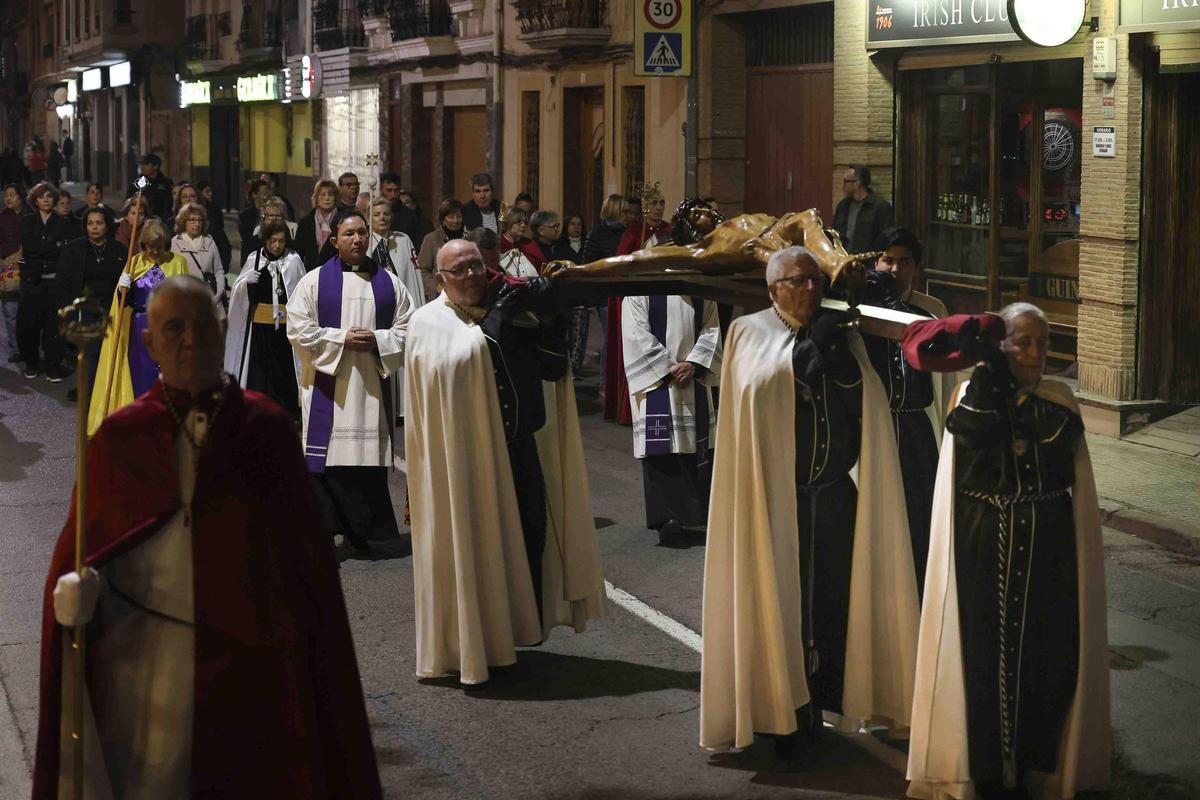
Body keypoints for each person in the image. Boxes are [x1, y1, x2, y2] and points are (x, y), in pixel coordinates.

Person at [35, 275, 382, 798]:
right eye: (174, 328)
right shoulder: (121, 437)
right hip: (150, 669)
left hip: (254, 665)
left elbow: (305, 566)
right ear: (149, 343)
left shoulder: (264, 430)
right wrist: (77, 590)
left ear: (224, 331)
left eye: (202, 326)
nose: (191, 340)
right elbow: (86, 548)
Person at [700, 246, 919, 758]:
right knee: (784, 608)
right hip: (776, 501)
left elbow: (861, 394)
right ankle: (787, 720)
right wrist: (802, 355)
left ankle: (823, 705)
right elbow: (759, 389)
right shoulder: (749, 331)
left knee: (832, 607)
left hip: (834, 497)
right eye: (799, 281)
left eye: (816, 281)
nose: (811, 290)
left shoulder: (839, 330)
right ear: (774, 287)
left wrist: (833, 349)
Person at [904, 305, 1111, 800]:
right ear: (1000, 344)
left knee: (1048, 657)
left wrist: (1014, 397)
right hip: (981, 543)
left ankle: (1038, 767)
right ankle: (988, 771)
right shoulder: (973, 394)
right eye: (1023, 341)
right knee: (979, 658)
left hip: (1050, 547)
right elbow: (970, 435)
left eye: (1043, 342)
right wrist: (989, 384)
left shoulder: (1060, 400)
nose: (1036, 353)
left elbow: (1061, 449)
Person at [406, 236, 581, 685]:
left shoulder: (509, 313)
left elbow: (552, 368)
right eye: (459, 271)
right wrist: (501, 314)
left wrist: (553, 322)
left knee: (525, 541)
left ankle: (516, 634)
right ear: (440, 278)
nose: (470, 277)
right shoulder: (428, 322)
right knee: (473, 546)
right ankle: (473, 643)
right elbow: (465, 357)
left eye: (476, 268)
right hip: (463, 460)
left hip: (516, 447)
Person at [286, 209, 414, 551]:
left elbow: (408, 329)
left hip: (371, 388)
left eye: (362, 233)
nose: (357, 239)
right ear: (334, 241)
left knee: (366, 460)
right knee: (327, 460)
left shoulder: (389, 283)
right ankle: (326, 530)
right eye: (348, 234)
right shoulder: (313, 282)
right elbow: (297, 330)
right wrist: (342, 339)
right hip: (331, 388)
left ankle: (367, 534)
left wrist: (377, 340)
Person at [857, 227, 950, 599]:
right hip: (874, 426)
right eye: (888, 260)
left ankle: (919, 594)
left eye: (905, 262)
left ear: (917, 267)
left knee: (920, 513)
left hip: (916, 426)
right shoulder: (860, 308)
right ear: (875, 262)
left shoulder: (932, 311)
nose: (895, 269)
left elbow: (944, 382)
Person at [621, 288, 721, 546]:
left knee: (693, 447)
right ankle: (666, 520)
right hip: (658, 385)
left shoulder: (698, 287)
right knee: (660, 449)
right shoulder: (640, 288)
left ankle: (691, 516)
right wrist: (668, 369)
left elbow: (712, 327)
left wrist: (695, 365)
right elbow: (636, 334)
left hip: (692, 380)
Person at [88, 219, 193, 433]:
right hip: (141, 329)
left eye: (160, 246)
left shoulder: (178, 262)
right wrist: (122, 288)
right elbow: (123, 303)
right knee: (143, 374)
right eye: (151, 246)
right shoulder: (133, 263)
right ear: (143, 245)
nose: (155, 251)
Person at [225, 219, 305, 419]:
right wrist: (245, 284)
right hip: (260, 328)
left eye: (281, 241)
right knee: (261, 373)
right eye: (273, 241)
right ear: (266, 240)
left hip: (286, 329)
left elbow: (302, 292)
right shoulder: (255, 259)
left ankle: (287, 413)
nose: (277, 245)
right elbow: (238, 292)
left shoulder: (293, 260)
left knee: (284, 372)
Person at [605, 188, 672, 424]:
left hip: (662, 298)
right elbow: (621, 266)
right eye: (654, 203)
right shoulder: (633, 233)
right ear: (645, 206)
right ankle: (629, 409)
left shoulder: (669, 231)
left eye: (662, 202)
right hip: (637, 300)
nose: (658, 208)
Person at [54, 208, 126, 400]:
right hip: (84, 310)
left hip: (111, 309)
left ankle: (107, 393)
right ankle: (91, 395)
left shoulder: (119, 250)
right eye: (90, 223)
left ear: (107, 225)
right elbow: (62, 282)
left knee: (110, 353)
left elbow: (125, 280)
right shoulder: (73, 249)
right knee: (90, 355)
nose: (94, 227)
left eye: (99, 223)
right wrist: (68, 311)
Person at [18, 182, 75, 381]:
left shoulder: (63, 223)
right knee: (30, 324)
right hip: (32, 281)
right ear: (35, 200)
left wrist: (45, 248)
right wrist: (51, 246)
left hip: (54, 281)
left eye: (50, 196)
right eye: (42, 196)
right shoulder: (27, 221)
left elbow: (64, 251)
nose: (46, 199)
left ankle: (53, 366)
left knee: (54, 327)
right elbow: (30, 247)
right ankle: (31, 363)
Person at [579, 195, 628, 382]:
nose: (628, 215)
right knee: (611, 337)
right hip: (605, 294)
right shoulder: (598, 233)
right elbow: (589, 264)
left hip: (624, 292)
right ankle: (606, 381)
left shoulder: (627, 232)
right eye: (624, 211)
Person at [832, 164, 893, 255]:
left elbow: (885, 238)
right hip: (844, 260)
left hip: (867, 262)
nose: (843, 185)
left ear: (857, 183)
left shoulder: (880, 207)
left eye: (846, 181)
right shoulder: (843, 206)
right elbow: (835, 233)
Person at [171, 202, 226, 301]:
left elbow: (218, 271)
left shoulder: (210, 242)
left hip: (210, 300)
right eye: (192, 220)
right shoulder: (175, 244)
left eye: (200, 220)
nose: (197, 224)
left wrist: (218, 294)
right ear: (183, 222)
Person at [175, 182, 231, 274]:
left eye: (192, 196)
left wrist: (218, 274)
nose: (188, 199)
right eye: (184, 196)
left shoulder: (211, 226)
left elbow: (224, 249)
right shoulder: (170, 225)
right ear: (179, 200)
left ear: (198, 199)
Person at [416, 198, 464, 298]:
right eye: (451, 217)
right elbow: (422, 270)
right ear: (443, 219)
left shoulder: (469, 238)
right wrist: (437, 288)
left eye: (458, 216)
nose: (455, 220)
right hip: (440, 295)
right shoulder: (431, 239)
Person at [0, 184, 25, 363]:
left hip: (28, 268)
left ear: (20, 198)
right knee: (10, 311)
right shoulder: (1, 218)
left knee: (29, 311)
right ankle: (14, 348)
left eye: (12, 195)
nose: (8, 198)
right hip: (7, 270)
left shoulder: (30, 216)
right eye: (6, 195)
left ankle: (30, 348)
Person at [295, 180, 338, 270]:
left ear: (335, 198)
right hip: (312, 271)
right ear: (316, 199)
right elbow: (299, 252)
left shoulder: (343, 220)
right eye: (322, 195)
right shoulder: (305, 222)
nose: (327, 198)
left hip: (337, 269)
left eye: (330, 194)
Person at [241, 197, 297, 262]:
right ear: (264, 218)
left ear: (283, 218)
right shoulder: (257, 235)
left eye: (278, 216)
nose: (274, 219)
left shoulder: (290, 242)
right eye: (270, 215)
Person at [125, 153, 174, 222]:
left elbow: (169, 204)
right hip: (141, 220)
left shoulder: (165, 183)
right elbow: (128, 202)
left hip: (161, 220)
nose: (143, 167)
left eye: (146, 164)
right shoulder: (137, 183)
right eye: (142, 164)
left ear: (155, 166)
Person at [238, 178, 273, 248]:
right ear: (254, 194)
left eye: (269, 195)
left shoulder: (273, 213)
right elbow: (248, 239)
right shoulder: (245, 215)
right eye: (264, 194)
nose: (267, 198)